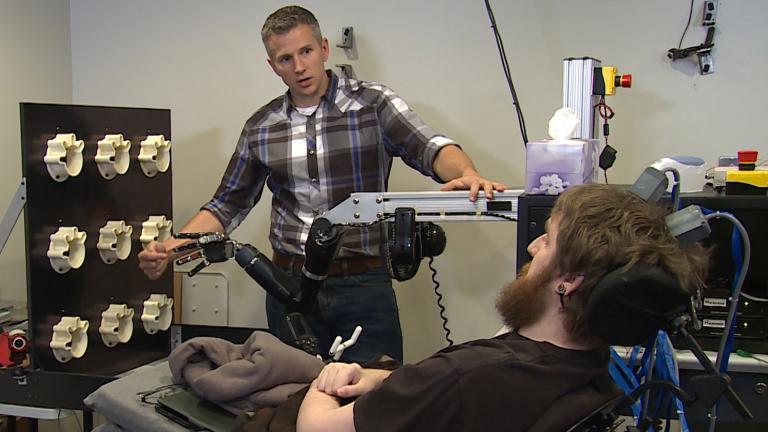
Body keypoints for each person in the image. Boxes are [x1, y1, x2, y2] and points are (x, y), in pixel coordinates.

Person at [137, 5, 506, 363]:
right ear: (272, 66)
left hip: (362, 285)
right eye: (285, 59)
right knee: (294, 404)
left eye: (306, 51)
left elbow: (431, 148)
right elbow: (226, 205)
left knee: (371, 402)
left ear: (324, 48)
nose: (299, 67)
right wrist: (173, 248)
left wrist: (466, 174)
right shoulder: (262, 127)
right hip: (288, 287)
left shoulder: (373, 104)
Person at [295, 184, 709, 432]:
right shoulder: (586, 367)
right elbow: (435, 394)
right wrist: (380, 381)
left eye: (546, 240)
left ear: (569, 282)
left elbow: (315, 428)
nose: (533, 246)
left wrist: (323, 380)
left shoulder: (469, 376)